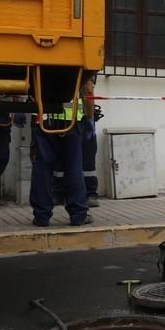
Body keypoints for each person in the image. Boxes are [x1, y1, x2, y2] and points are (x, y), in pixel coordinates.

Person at [30, 99, 91, 227]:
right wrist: (90, 117)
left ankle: (41, 216)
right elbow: (88, 89)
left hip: (43, 118)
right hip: (72, 120)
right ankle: (78, 215)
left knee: (42, 167)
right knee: (73, 166)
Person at [53, 74, 100, 207]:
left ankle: (58, 194)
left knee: (61, 160)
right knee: (85, 160)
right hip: (80, 121)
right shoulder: (84, 67)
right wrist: (90, 119)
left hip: (56, 119)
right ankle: (89, 194)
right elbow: (89, 91)